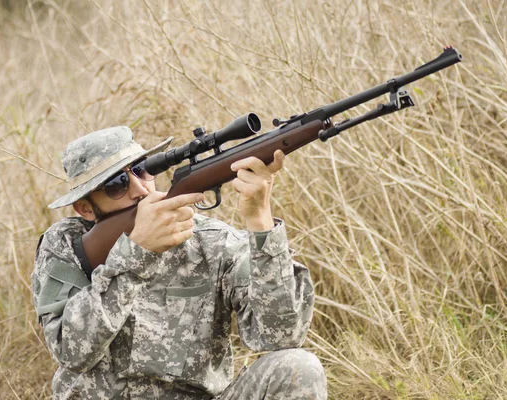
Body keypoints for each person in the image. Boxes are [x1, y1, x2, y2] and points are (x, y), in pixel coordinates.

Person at [31, 126, 327, 399]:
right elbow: (71, 351)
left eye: (141, 170)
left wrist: (260, 219)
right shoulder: (66, 246)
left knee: (298, 367)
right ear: (85, 207)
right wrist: (136, 253)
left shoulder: (210, 241)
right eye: (117, 184)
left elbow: (281, 333)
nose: (139, 189)